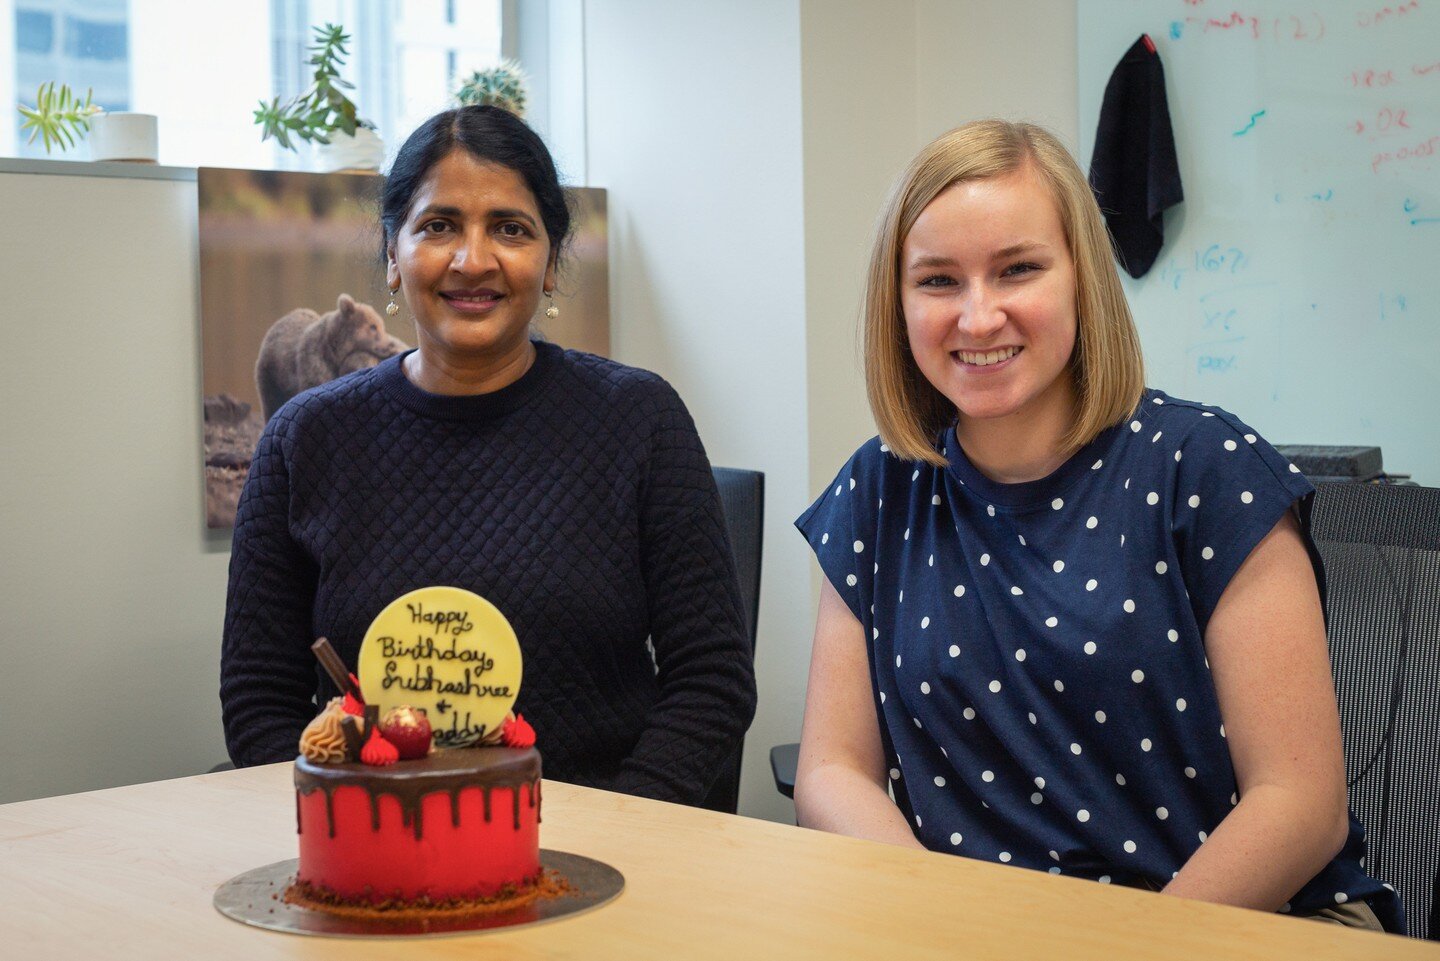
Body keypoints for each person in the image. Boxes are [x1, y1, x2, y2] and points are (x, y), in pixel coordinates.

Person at [794, 120, 1402, 932]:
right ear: (897, 304)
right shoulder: (880, 488)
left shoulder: (1208, 469)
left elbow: (1301, 805)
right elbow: (832, 770)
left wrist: (1126, 947)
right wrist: (935, 916)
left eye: (1018, 269)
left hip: (1243, 920)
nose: (978, 317)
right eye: (938, 281)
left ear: (1082, 279)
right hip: (982, 931)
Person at [221, 105, 756, 806]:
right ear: (391, 253)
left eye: (510, 228)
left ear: (553, 260)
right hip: (376, 849)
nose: (473, 260)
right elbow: (258, 702)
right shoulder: (303, 439)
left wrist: (625, 831)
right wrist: (354, 827)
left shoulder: (640, 420)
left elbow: (711, 681)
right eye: (439, 226)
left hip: (608, 853)